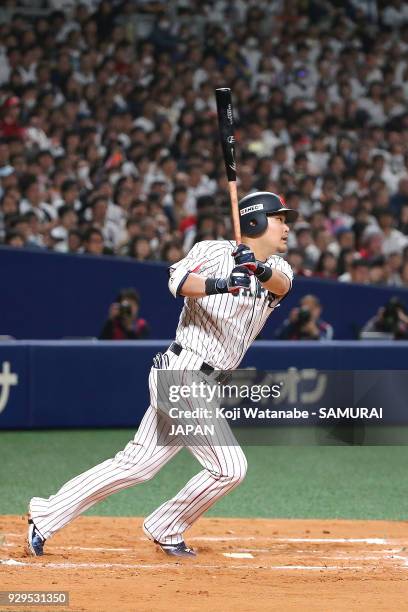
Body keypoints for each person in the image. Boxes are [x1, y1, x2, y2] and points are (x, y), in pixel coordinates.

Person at [27, 191, 297, 558]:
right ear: (255, 221)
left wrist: (255, 268)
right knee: (230, 468)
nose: (286, 226)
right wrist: (221, 282)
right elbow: (177, 282)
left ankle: (46, 514)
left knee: (136, 465)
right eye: (280, 218)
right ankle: (166, 525)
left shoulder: (280, 268)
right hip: (184, 372)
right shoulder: (211, 251)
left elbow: (280, 285)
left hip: (206, 382)